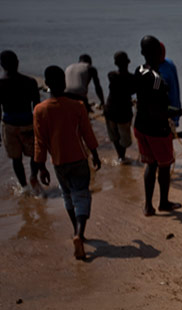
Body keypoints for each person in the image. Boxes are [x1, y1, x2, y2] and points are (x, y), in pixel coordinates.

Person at [32, 65, 101, 260]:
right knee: (82, 196)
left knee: (68, 196)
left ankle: (76, 231)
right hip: (79, 158)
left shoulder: (39, 110)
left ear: (46, 84)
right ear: (64, 83)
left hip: (58, 162)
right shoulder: (77, 106)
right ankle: (80, 233)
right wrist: (95, 154)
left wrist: (41, 166)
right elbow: (87, 133)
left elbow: (40, 141)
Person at [134, 35, 181, 216]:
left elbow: (143, 99)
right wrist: (177, 112)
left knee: (150, 165)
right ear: (159, 53)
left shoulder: (138, 70)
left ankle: (148, 206)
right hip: (157, 130)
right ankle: (163, 203)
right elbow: (158, 111)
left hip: (140, 126)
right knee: (164, 165)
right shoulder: (157, 79)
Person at [0, 50, 40, 189]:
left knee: (16, 159)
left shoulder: (1, 84)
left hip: (9, 125)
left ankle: (24, 187)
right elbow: (37, 107)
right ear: (17, 63)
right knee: (34, 154)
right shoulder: (30, 82)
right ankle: (33, 176)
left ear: (2, 65)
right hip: (28, 123)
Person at [158, 43, 182, 148]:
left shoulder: (159, 73)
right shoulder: (169, 63)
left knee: (162, 136)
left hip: (167, 109)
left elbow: (158, 94)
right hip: (174, 104)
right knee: (164, 135)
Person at [104, 51, 136, 163]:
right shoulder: (132, 78)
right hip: (124, 112)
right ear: (128, 62)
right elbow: (132, 90)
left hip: (110, 110)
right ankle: (122, 156)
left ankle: (120, 156)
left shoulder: (111, 75)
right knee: (124, 138)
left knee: (115, 136)